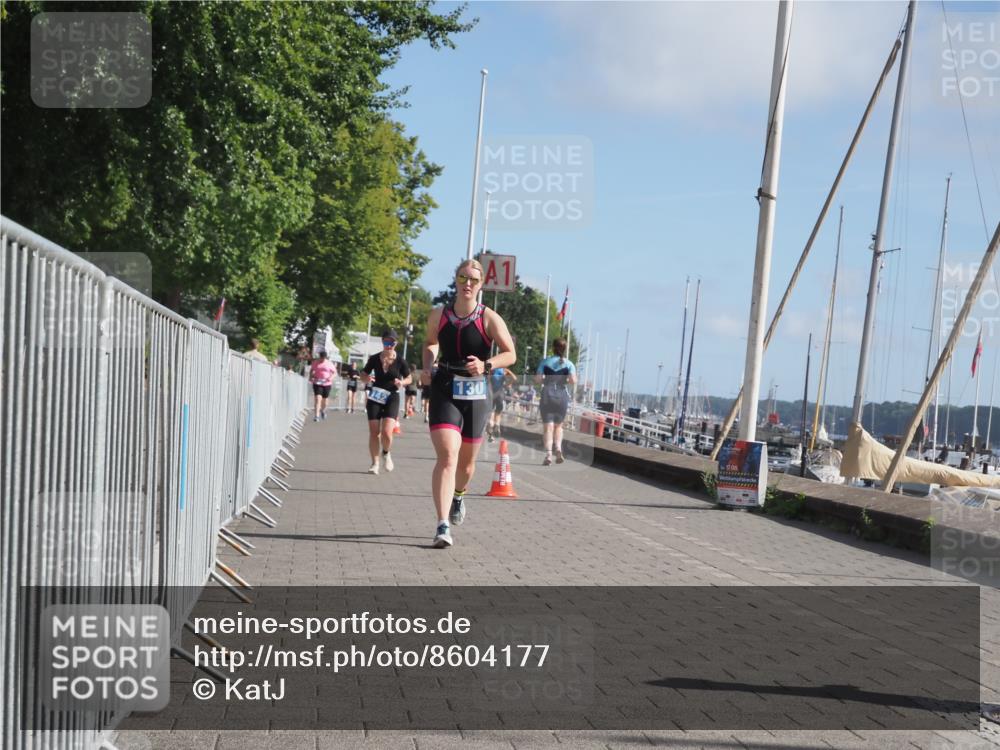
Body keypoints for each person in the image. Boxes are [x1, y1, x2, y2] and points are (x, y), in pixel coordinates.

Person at [423, 259, 516, 548]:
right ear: (456, 279)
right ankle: (442, 525)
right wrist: (428, 365)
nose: (467, 284)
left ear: (480, 285)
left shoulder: (489, 317)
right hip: (446, 388)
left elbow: (510, 354)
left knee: (466, 464)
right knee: (447, 457)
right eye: (463, 278)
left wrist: (486, 365)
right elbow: (429, 343)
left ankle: (459, 496)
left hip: (476, 394)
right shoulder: (438, 315)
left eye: (473, 280)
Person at [361, 329, 411, 474]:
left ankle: (386, 453)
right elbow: (363, 374)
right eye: (386, 342)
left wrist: (402, 382)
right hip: (375, 396)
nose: (389, 345)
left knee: (387, 433)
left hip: (392, 397)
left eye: (392, 343)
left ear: (396, 344)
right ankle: (374, 463)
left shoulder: (400, 360)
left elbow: (409, 378)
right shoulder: (375, 358)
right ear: (382, 342)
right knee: (374, 432)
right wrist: (366, 378)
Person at [534, 338, 577, 465]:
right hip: (561, 395)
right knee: (559, 426)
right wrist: (564, 381)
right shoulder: (569, 364)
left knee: (548, 427)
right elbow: (573, 381)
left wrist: (544, 381)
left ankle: (548, 454)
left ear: (553, 348)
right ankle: (558, 448)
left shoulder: (545, 362)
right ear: (565, 349)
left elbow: (537, 379)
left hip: (547, 394)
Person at [486, 366, 518, 442]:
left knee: (491, 414)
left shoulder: (491, 370)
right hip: (500, 394)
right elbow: (514, 378)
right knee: (498, 412)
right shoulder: (504, 370)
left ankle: (491, 435)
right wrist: (508, 383)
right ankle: (497, 425)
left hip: (491, 394)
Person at [309, 350, 337, 421]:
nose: (322, 359)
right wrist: (311, 377)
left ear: (325, 357)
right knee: (318, 399)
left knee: (325, 401)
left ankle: (323, 410)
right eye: (321, 358)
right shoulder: (315, 362)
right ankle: (316, 416)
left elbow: (334, 373)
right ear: (320, 357)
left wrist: (331, 378)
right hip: (317, 382)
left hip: (327, 383)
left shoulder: (329, 363)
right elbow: (311, 370)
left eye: (323, 358)